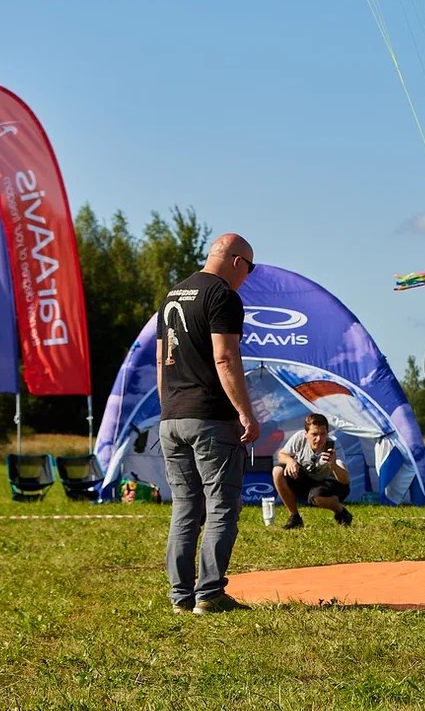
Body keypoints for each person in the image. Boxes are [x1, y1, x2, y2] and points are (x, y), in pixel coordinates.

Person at [157, 233, 260, 615]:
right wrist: (245, 412)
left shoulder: (173, 294)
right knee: (221, 508)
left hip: (172, 417)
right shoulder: (222, 296)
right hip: (211, 419)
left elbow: (160, 362)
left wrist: (168, 406)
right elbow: (225, 358)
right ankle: (210, 594)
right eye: (249, 268)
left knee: (185, 508)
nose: (247, 276)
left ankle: (180, 598)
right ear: (236, 261)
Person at [273, 413, 352, 529]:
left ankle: (341, 511)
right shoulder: (299, 438)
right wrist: (290, 461)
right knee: (277, 471)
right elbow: (281, 455)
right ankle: (294, 517)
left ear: (328, 433)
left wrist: (333, 465)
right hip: (307, 481)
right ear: (306, 434)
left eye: (323, 434)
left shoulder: (333, 446)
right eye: (314, 434)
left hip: (330, 485)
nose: (319, 439)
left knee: (317, 496)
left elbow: (345, 480)